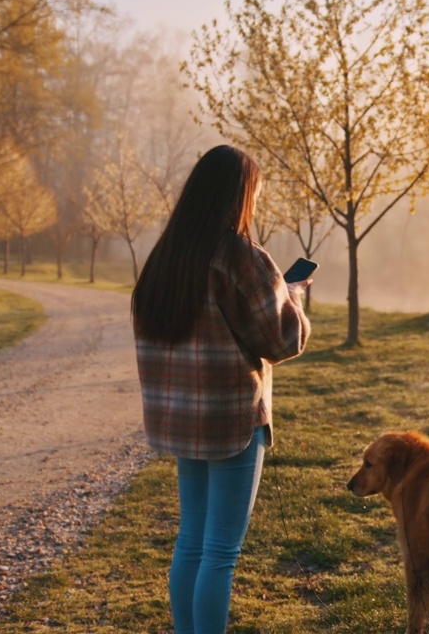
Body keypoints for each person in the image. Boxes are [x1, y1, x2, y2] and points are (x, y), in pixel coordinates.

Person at [131, 145, 312, 634]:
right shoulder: (240, 255)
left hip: (182, 420)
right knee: (220, 553)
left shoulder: (165, 257)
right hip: (231, 419)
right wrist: (292, 295)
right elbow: (282, 340)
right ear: (239, 196)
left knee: (191, 541)